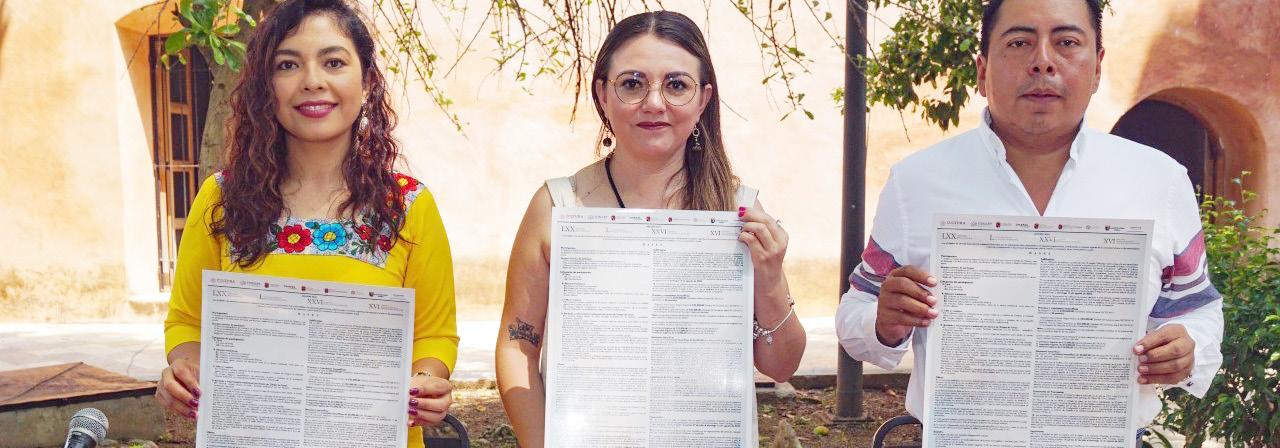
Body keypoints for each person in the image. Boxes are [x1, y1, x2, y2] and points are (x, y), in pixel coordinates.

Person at [836, 0, 1224, 428]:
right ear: (982, 71)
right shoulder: (916, 183)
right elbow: (857, 313)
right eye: (1019, 42)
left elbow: (1198, 311)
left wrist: (1189, 347)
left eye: (1067, 42)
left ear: (1097, 67)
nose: (1043, 62)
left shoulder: (1159, 181)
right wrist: (883, 323)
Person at [494, 11, 807, 446]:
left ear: (703, 99)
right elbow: (518, 347)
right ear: (603, 94)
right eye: (632, 83)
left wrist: (769, 280)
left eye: (676, 85)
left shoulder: (738, 211)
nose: (654, 103)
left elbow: (782, 366)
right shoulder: (557, 207)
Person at [153, 1, 458, 446]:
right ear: (266, 86)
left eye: (333, 62)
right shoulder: (222, 199)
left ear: (366, 81)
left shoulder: (407, 205)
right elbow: (186, 322)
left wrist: (427, 382)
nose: (312, 81)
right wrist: (186, 371)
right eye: (288, 64)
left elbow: (434, 335)